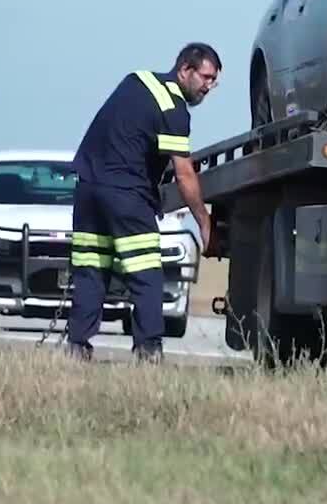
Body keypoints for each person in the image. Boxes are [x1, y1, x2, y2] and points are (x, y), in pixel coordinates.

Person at [65, 42, 220, 362]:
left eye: (213, 81)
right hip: (125, 194)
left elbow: (128, 134)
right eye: (205, 78)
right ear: (185, 70)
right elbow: (185, 175)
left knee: (90, 269)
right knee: (146, 273)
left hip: (88, 189)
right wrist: (204, 221)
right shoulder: (174, 110)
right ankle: (149, 349)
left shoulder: (137, 81)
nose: (208, 87)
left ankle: (78, 346)